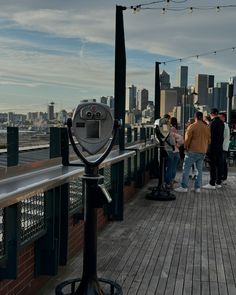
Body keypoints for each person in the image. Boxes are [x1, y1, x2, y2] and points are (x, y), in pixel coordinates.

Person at [174, 111, 211, 193]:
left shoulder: (192, 126)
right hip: (203, 151)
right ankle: (197, 188)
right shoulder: (206, 127)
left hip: (192, 151)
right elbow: (209, 140)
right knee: (199, 170)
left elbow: (187, 140)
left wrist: (185, 148)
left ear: (195, 117)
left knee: (186, 168)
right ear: (202, 117)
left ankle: (184, 187)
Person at [202, 108, 225, 189]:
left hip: (212, 147)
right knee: (219, 165)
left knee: (212, 165)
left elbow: (209, 136)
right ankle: (218, 182)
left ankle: (212, 183)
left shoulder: (212, 123)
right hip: (219, 147)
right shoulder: (221, 123)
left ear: (211, 114)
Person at [219, 112, 230, 184]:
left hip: (223, 147)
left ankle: (223, 178)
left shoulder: (224, 125)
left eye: (220, 117)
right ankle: (224, 178)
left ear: (223, 118)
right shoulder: (225, 125)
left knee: (222, 163)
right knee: (224, 163)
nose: (219, 119)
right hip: (225, 147)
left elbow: (221, 137)